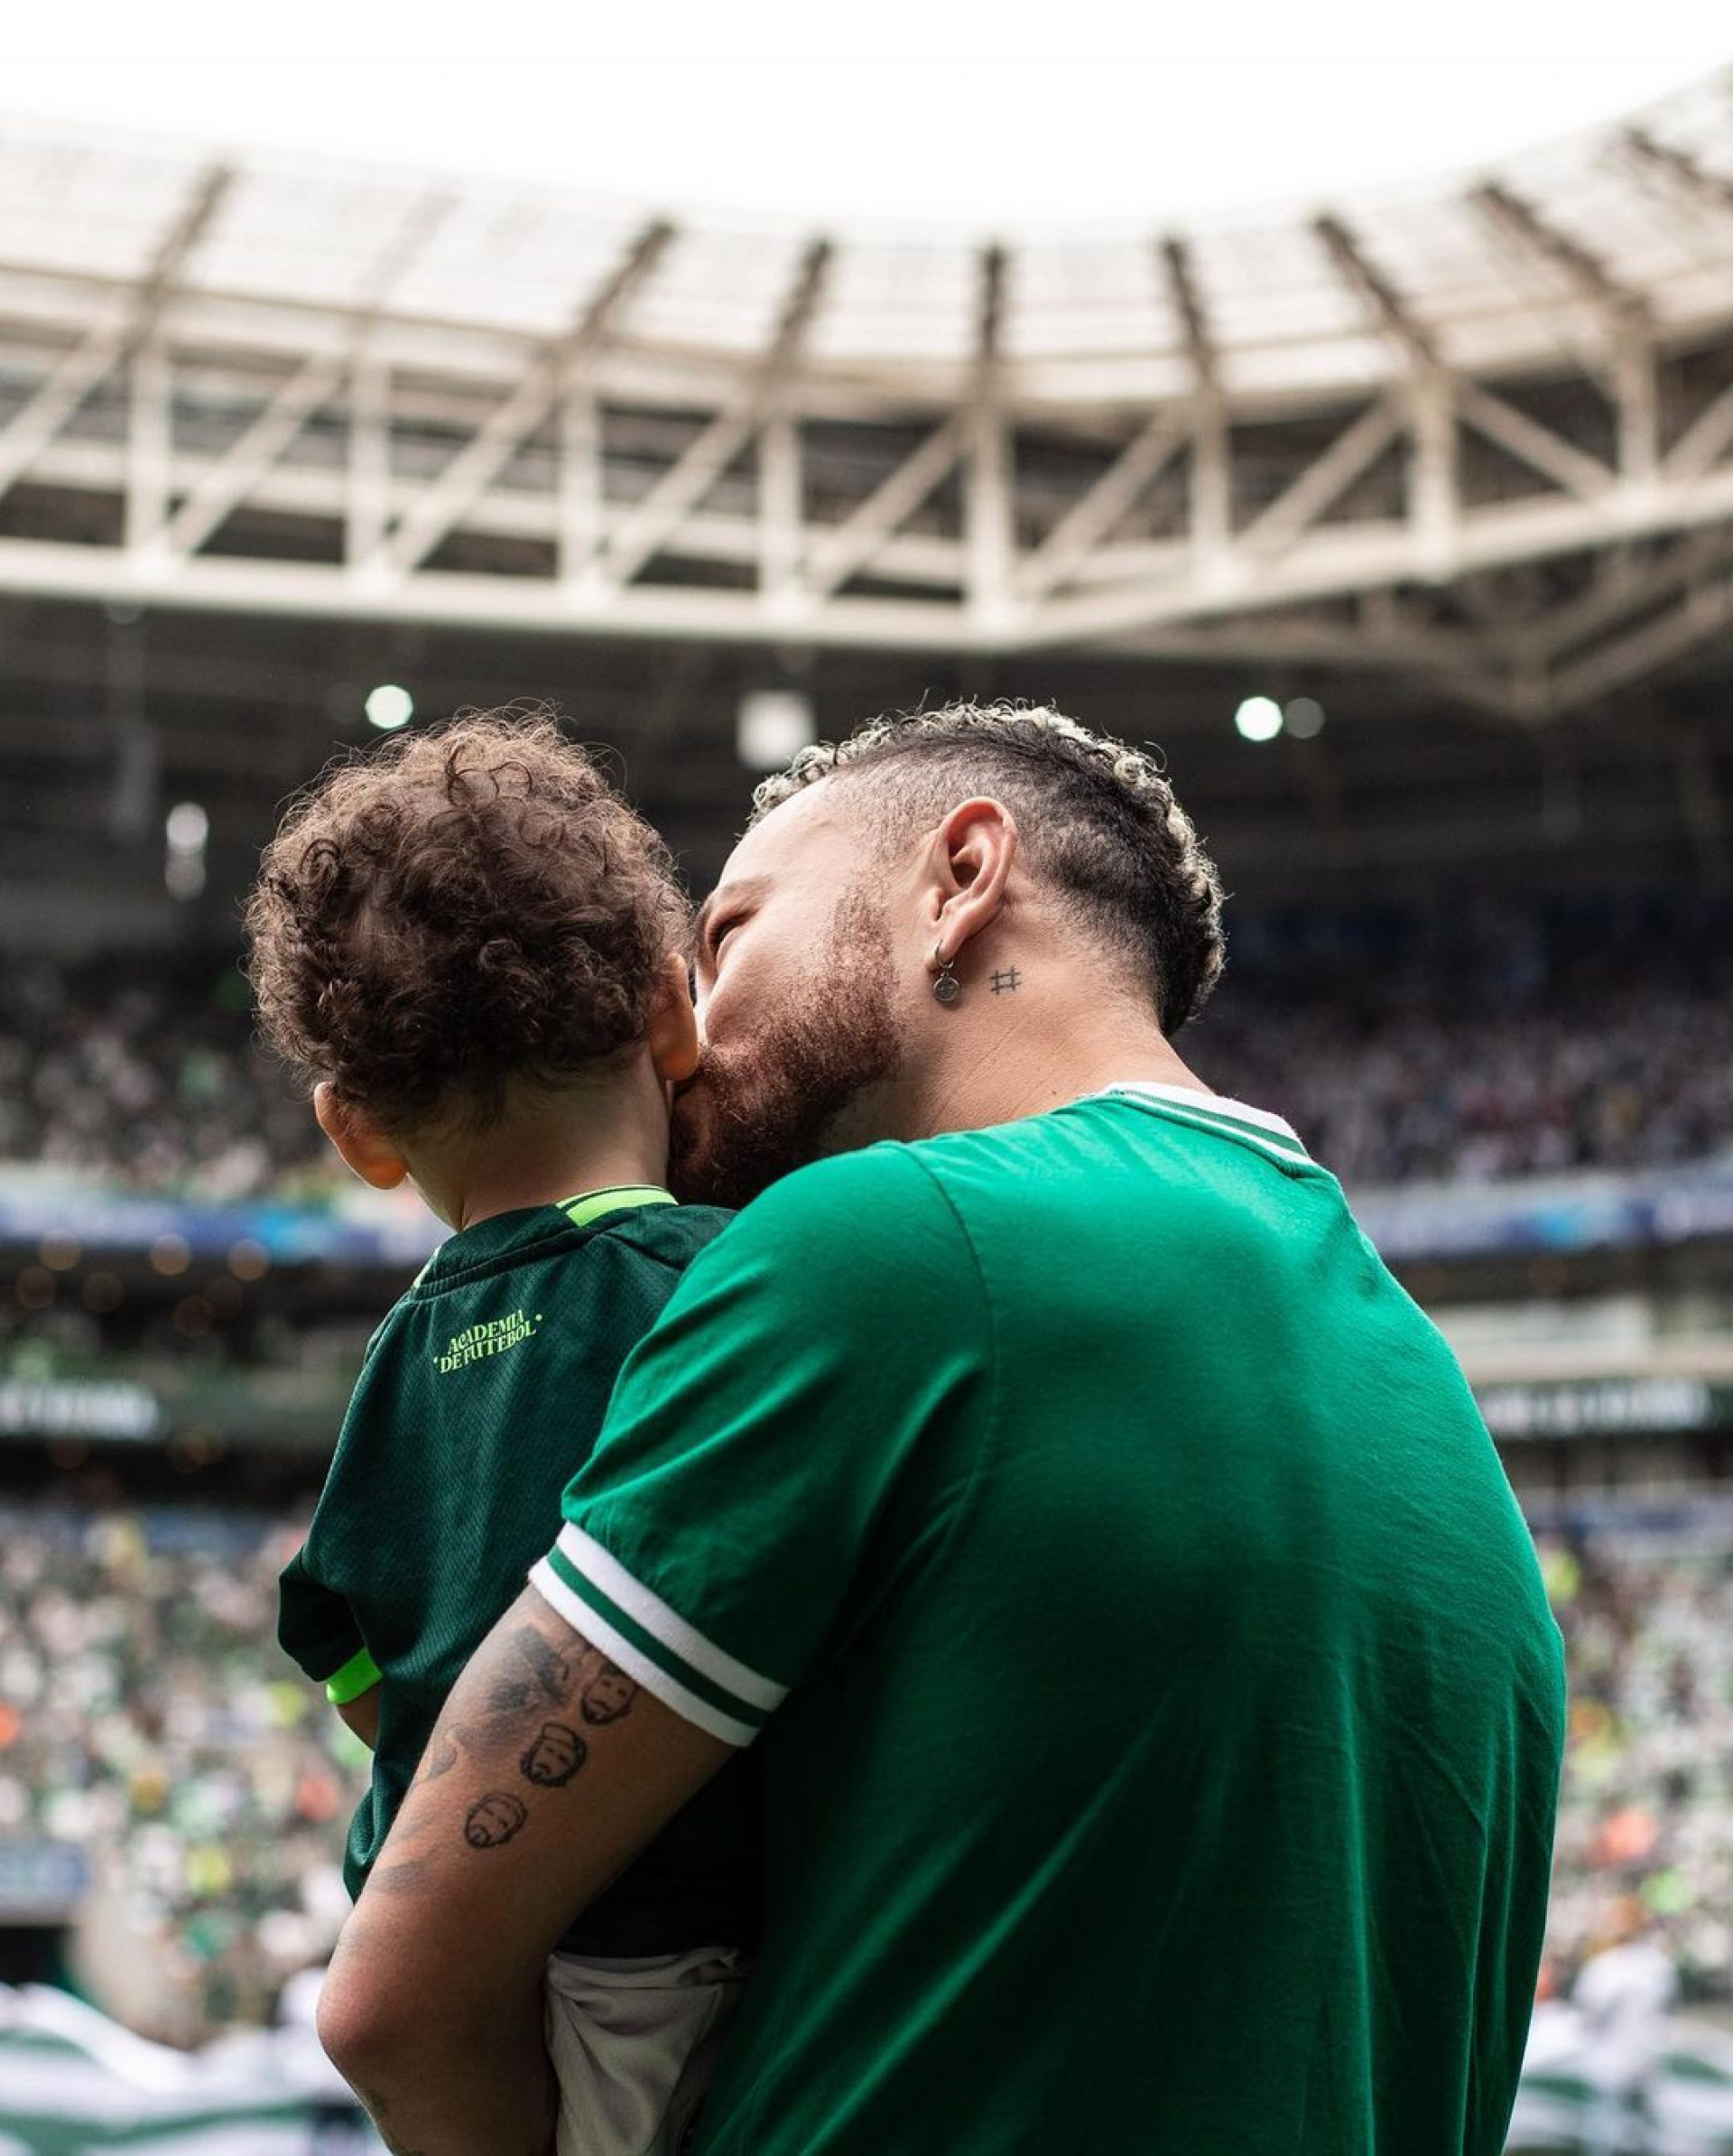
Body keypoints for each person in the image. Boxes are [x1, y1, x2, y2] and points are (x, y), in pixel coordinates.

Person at [318, 702, 1568, 2156]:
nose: (686, 1041)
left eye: (729, 937)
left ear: (961, 879)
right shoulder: (1438, 1421)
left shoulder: (880, 1245)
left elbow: (393, 2007)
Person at [246, 710, 757, 2156]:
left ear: (356, 1132)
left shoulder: (398, 1353)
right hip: (680, 1940)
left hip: (467, 1944)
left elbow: (333, 1633)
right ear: (672, 1012)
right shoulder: (732, 1276)